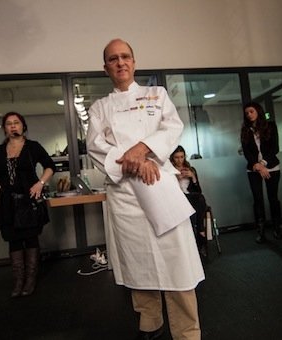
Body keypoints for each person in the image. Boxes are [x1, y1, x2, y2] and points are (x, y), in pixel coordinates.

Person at [86, 38, 204, 340]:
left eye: (125, 56)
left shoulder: (157, 94)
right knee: (139, 264)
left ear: (134, 62)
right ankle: (150, 322)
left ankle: (187, 332)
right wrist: (138, 163)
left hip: (161, 187)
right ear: (105, 68)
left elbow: (171, 128)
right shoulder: (99, 108)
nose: (120, 62)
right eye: (113, 59)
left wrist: (142, 151)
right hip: (126, 196)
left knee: (177, 264)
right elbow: (96, 148)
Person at [0, 112, 56, 297]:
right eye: (9, 124)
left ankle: (30, 280)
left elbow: (50, 165)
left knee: (31, 238)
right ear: (4, 128)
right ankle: (18, 281)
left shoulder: (33, 147)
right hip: (7, 202)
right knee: (13, 240)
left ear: (23, 126)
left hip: (28, 200)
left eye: (16, 123)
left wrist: (40, 183)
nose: (13, 126)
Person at [240, 102, 282, 243]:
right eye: (247, 113)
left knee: (273, 198)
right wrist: (256, 165)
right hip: (253, 168)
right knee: (258, 199)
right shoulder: (245, 130)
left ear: (258, 111)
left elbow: (275, 148)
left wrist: (263, 164)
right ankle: (261, 231)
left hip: (271, 166)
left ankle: (277, 228)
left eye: (251, 111)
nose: (249, 115)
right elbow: (246, 151)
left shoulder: (270, 126)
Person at [170, 146, 207, 256]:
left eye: (181, 157)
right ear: (172, 158)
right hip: (178, 198)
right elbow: (168, 191)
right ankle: (200, 236)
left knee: (199, 198)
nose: (179, 160)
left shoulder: (191, 169)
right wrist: (175, 179)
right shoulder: (169, 171)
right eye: (176, 157)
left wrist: (193, 177)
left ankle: (199, 231)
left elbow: (198, 190)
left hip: (191, 198)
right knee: (192, 210)